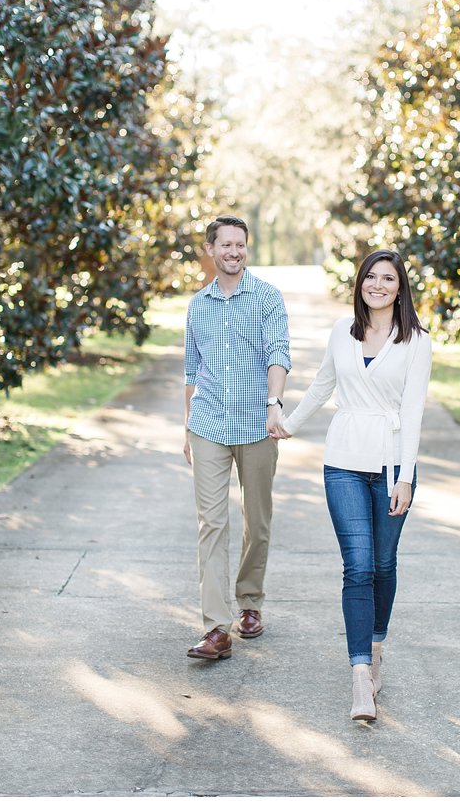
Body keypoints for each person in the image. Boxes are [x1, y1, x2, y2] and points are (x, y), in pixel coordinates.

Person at [271, 249, 431, 721]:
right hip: (343, 459)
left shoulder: (416, 340)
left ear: (400, 288)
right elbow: (323, 385)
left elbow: (414, 410)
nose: (377, 285)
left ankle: (376, 647)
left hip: (391, 464)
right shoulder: (342, 330)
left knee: (383, 564)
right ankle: (360, 676)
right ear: (360, 283)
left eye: (388, 279)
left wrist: (404, 475)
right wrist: (290, 423)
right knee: (357, 566)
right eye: (370, 277)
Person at [183, 215, 291, 660]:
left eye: (240, 245)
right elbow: (191, 369)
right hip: (207, 423)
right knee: (212, 523)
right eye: (225, 244)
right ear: (210, 250)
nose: (233, 251)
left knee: (256, 518)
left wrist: (274, 404)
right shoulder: (198, 305)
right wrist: (186, 426)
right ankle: (216, 629)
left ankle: (250, 601)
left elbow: (278, 354)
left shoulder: (266, 297)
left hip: (256, 426)